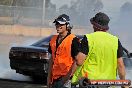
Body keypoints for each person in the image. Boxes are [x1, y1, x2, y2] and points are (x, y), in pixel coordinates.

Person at [71, 12, 126, 88]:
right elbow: (120, 65)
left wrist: (69, 77)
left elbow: (79, 61)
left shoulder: (88, 38)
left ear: (94, 25)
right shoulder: (115, 40)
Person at [47, 14, 80, 88]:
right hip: (54, 79)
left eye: (61, 24)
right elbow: (51, 59)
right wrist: (49, 78)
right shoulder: (53, 39)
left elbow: (78, 61)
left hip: (67, 80)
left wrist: (66, 79)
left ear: (67, 25)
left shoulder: (74, 40)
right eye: (57, 24)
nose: (58, 26)